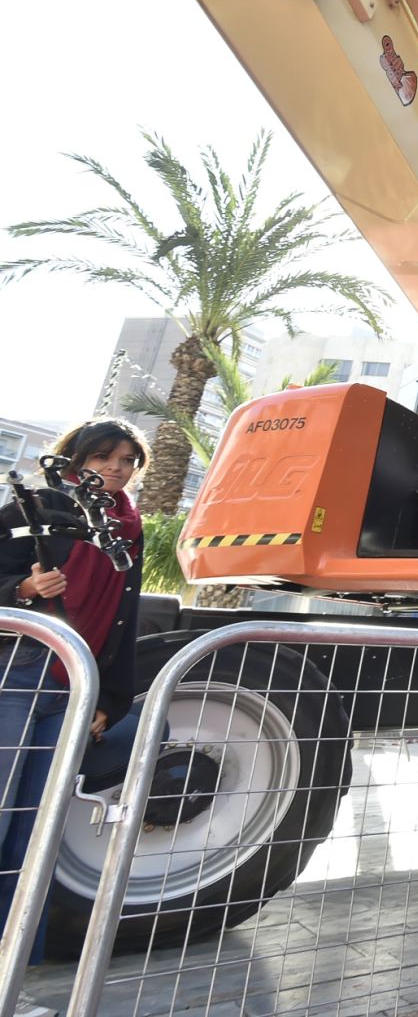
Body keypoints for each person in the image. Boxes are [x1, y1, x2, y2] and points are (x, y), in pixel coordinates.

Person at [0, 419, 149, 1008]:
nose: (117, 468)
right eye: (104, 456)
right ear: (75, 457)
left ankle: (7, 981)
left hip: (75, 682)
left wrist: (110, 701)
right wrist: (22, 589)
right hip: (15, 670)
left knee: (33, 837)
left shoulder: (127, 529)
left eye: (129, 459)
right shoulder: (31, 505)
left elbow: (123, 621)